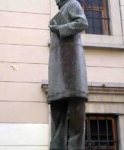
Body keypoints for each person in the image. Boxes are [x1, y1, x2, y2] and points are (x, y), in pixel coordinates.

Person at [48, 0, 89, 149]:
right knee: (57, 119)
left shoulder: (72, 4)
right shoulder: (62, 10)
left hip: (73, 69)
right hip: (58, 70)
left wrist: (60, 28)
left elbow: (82, 23)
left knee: (76, 121)